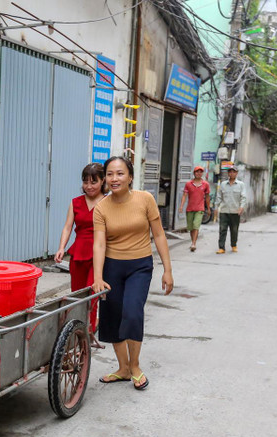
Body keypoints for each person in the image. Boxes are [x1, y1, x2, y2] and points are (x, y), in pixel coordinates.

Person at [92, 156, 174, 390]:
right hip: (112, 267)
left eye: (119, 173)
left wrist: (167, 269)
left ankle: (135, 366)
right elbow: (99, 244)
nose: (114, 178)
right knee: (113, 315)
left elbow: (159, 234)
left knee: (132, 312)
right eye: (109, 174)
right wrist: (98, 277)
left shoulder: (145, 199)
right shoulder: (101, 207)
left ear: (130, 176)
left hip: (140, 265)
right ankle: (123, 369)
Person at [54, 162, 105, 347]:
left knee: (92, 294)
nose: (89, 186)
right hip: (78, 252)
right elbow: (68, 227)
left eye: (94, 181)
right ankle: (76, 331)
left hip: (99, 254)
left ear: (102, 181)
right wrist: (61, 247)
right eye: (85, 182)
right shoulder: (75, 202)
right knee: (77, 295)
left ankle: (88, 332)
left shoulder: (108, 202)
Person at [178, 165, 211, 252]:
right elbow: (184, 195)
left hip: (200, 209)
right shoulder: (188, 184)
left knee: (196, 226)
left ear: (202, 174)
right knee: (191, 227)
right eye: (197, 172)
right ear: (194, 173)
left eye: (200, 172)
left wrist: (209, 208)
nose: (199, 173)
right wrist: (181, 206)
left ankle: (193, 243)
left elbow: (207, 197)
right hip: (190, 208)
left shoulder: (205, 184)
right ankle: (193, 241)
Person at [215, 165, 247, 254]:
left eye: (233, 172)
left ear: (236, 173)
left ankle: (234, 245)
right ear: (228, 173)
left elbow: (243, 197)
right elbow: (219, 197)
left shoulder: (241, 185)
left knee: (234, 229)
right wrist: (216, 207)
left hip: (235, 211)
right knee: (222, 229)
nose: (232, 173)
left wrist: (241, 207)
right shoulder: (223, 184)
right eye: (230, 172)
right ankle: (221, 247)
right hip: (224, 211)